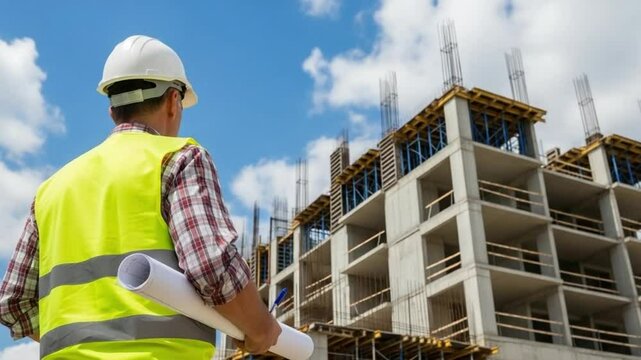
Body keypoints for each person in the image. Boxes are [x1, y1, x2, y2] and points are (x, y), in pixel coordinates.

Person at [0, 35, 281, 359]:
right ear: (174, 101)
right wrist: (261, 327)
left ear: (112, 111)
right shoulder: (178, 159)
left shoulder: (50, 191)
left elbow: (14, 302)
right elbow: (210, 266)